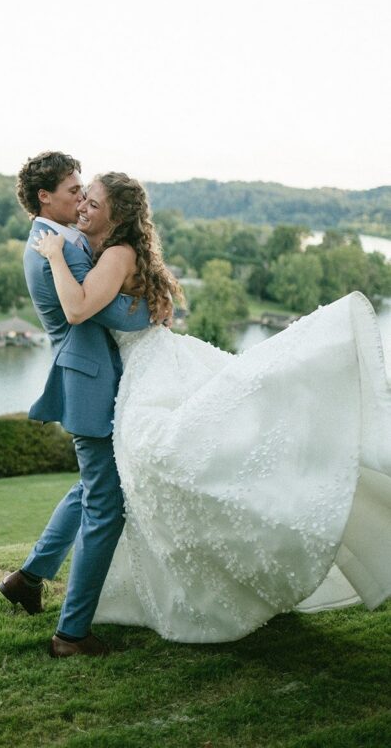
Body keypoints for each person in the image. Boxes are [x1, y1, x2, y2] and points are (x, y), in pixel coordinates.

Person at [33, 170, 391, 643]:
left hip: (149, 368)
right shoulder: (101, 250)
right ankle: (36, 576)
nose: (83, 207)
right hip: (143, 367)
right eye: (82, 200)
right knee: (112, 481)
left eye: (93, 203)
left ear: (117, 218)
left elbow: (79, 308)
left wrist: (57, 256)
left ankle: (78, 614)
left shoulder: (113, 254)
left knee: (168, 458)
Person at [0, 151, 160, 658]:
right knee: (105, 506)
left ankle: (28, 579)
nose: (80, 198)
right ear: (45, 197)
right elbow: (106, 314)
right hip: (89, 382)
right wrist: (149, 304)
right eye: (73, 191)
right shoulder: (56, 249)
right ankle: (71, 634)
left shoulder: (61, 241)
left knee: (90, 486)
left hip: (90, 376)